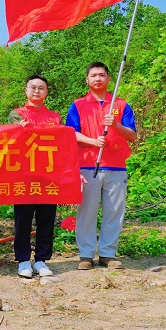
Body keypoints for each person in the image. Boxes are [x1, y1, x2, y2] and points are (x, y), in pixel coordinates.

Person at [67, 62, 137, 270]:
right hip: (88, 165)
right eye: (93, 75)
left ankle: (108, 254)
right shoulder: (78, 105)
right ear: (87, 79)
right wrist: (93, 141)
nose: (97, 78)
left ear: (108, 78)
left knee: (114, 212)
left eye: (102, 75)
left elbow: (132, 135)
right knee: (86, 212)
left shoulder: (121, 105)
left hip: (116, 166)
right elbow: (71, 134)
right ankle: (86, 254)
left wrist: (115, 125)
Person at [9, 76, 60, 279]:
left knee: (46, 218)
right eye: (33, 87)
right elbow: (14, 136)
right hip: (24, 174)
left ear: (46, 92)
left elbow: (61, 143)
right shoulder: (17, 114)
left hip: (48, 174)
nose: (37, 91)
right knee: (23, 219)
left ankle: (41, 260)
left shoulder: (54, 117)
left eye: (41, 88)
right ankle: (23, 260)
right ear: (26, 90)